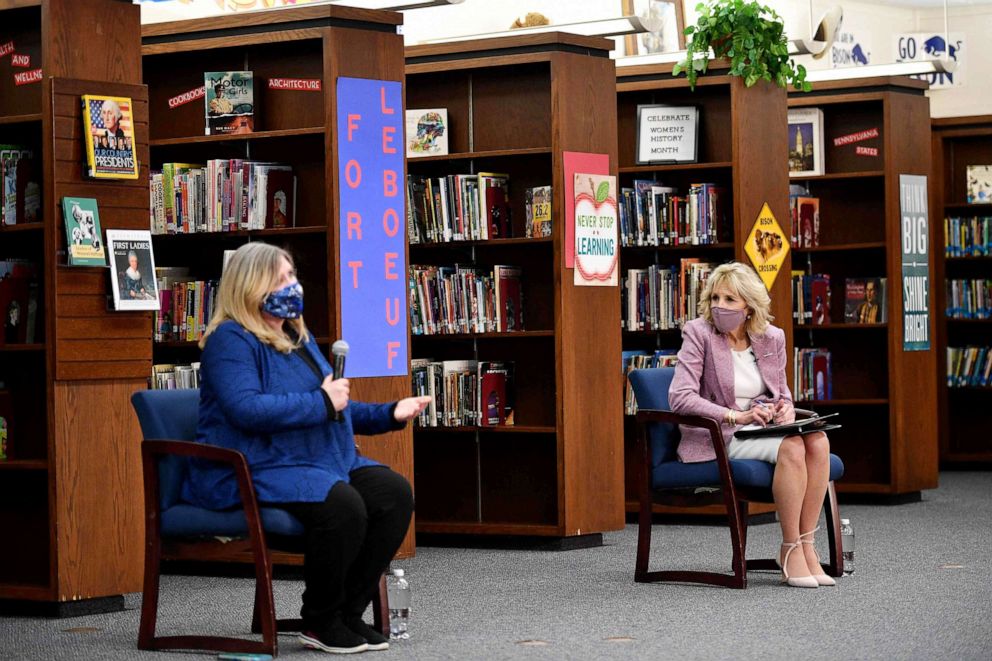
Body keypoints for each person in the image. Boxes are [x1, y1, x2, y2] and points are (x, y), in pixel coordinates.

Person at [189, 242, 430, 654]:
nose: (293, 286)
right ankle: (320, 620)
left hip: (317, 456)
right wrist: (322, 401)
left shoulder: (295, 336)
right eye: (282, 279)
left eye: (292, 275)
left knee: (393, 493)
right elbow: (247, 409)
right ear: (252, 285)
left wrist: (390, 413)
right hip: (256, 465)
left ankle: (348, 614)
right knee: (344, 505)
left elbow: (336, 405)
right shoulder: (230, 340)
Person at [669, 262, 834, 589]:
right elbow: (680, 397)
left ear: (749, 307)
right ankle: (789, 548)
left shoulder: (771, 337)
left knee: (818, 441)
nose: (720, 306)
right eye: (715, 297)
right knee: (792, 447)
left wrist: (784, 408)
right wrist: (735, 416)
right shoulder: (698, 333)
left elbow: (781, 389)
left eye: (730, 299)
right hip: (720, 434)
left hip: (762, 428)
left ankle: (807, 545)